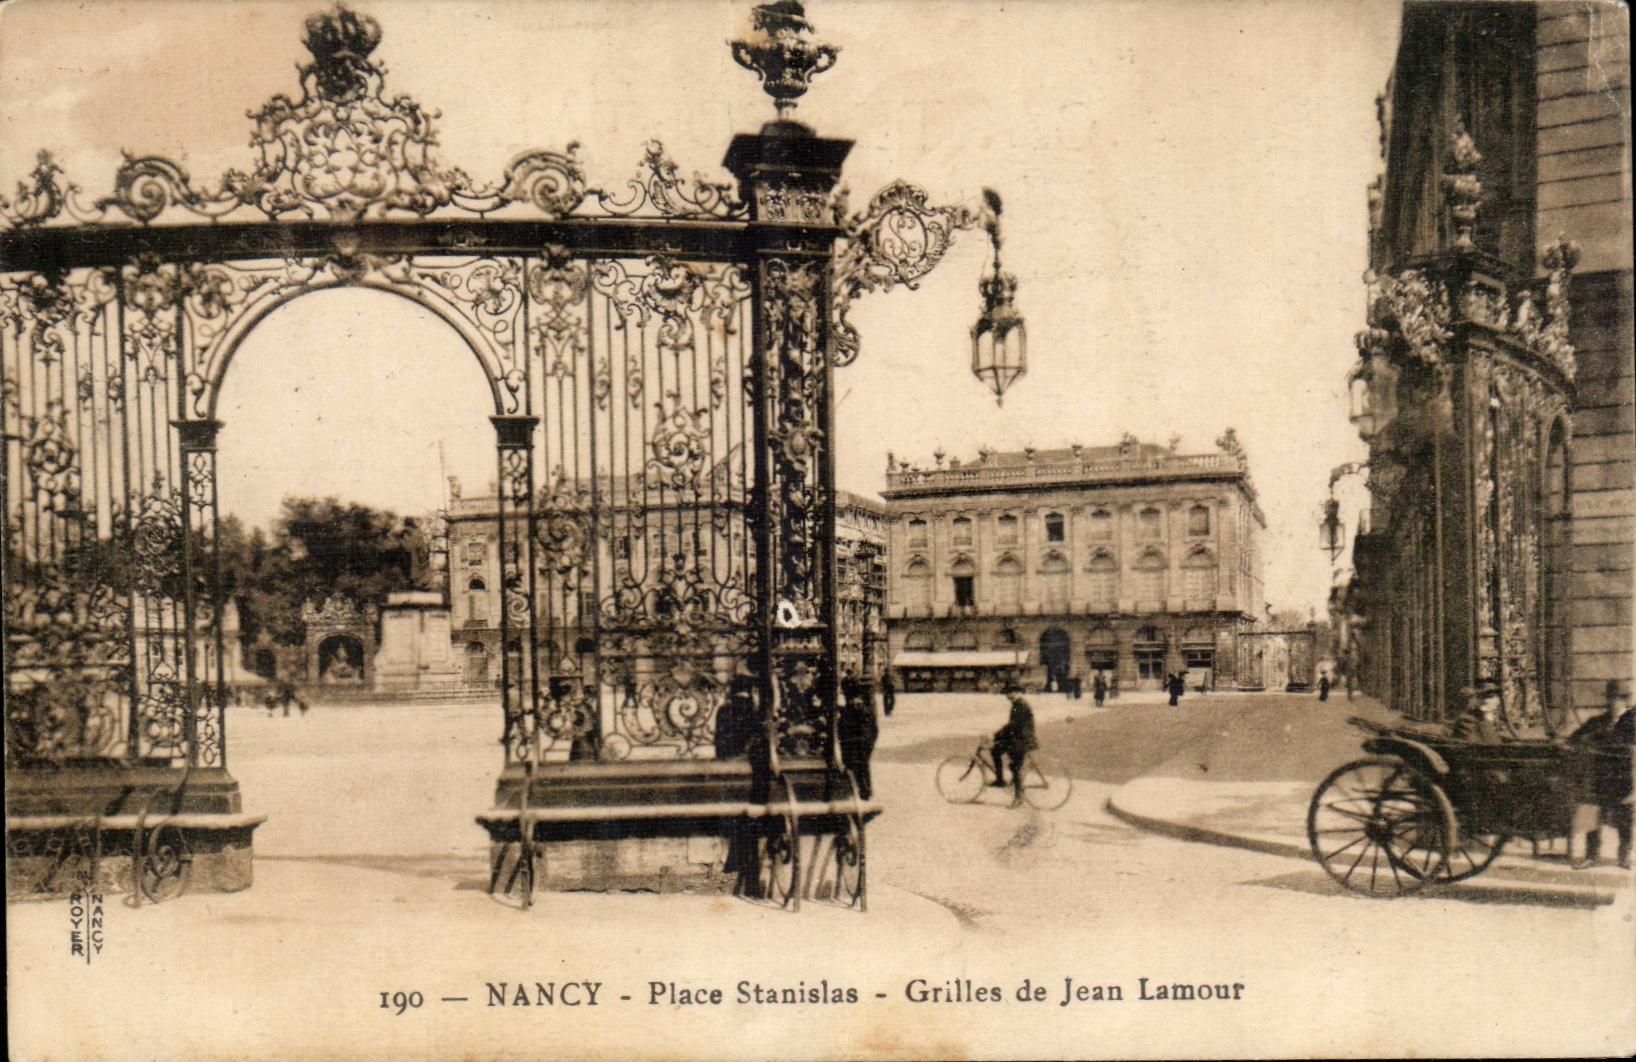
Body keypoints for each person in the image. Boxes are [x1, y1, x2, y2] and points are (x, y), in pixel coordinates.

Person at [1568, 681, 1633, 870]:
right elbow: (1574, 739)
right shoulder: (1596, 722)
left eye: (1619, 699)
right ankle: (1591, 855)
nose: (1614, 703)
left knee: (1625, 817)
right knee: (1592, 814)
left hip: (1624, 777)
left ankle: (1624, 856)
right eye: (1611, 698)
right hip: (1599, 777)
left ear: (1625, 701)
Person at [990, 689, 1038, 802]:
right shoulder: (1017, 703)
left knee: (1016, 768)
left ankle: (1018, 799)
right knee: (996, 750)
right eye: (1006, 693)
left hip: (1023, 741)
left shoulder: (1020, 705)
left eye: (1009, 692)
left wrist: (997, 734)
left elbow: (1013, 726)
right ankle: (1000, 779)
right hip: (1018, 737)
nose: (1007, 695)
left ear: (1016, 692)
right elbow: (1012, 726)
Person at [837, 674, 879, 799]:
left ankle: (861, 791)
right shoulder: (863, 702)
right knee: (862, 765)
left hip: (857, 740)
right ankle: (864, 790)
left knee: (857, 765)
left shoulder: (856, 703)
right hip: (863, 739)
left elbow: (853, 719)